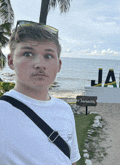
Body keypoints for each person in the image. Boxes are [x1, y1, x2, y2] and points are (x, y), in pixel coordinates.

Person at [0, 20, 81, 165]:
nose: (40, 64)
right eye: (28, 54)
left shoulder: (65, 109)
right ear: (11, 61)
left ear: (59, 65)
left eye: (48, 56)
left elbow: (70, 159)